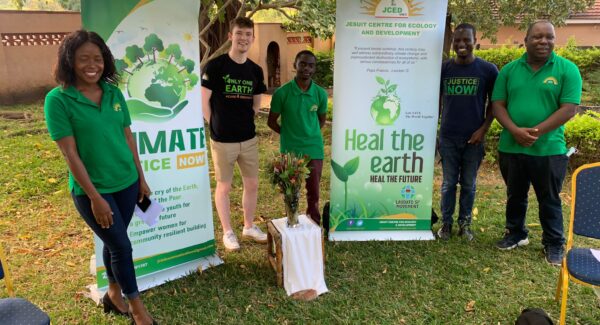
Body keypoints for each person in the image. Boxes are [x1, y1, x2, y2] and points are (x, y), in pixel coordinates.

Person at [44, 30, 156, 324]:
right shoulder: (58, 100)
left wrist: (141, 178)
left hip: (127, 183)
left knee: (113, 243)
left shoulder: (114, 93)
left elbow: (128, 137)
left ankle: (113, 294)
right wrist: (95, 198)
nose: (92, 65)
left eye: (98, 58)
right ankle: (138, 310)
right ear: (70, 61)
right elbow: (70, 155)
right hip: (92, 191)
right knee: (122, 245)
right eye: (84, 59)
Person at [491, 21, 582, 265]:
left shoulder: (567, 70)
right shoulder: (509, 70)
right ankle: (516, 233)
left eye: (549, 37)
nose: (544, 42)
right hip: (511, 146)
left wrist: (536, 132)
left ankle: (553, 243)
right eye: (537, 37)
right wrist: (515, 131)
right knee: (515, 194)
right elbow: (498, 104)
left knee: (549, 198)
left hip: (549, 148)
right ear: (526, 40)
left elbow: (569, 109)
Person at [201, 17, 267, 251]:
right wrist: (217, 125)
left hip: (248, 139)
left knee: (252, 184)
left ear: (253, 38)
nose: (243, 38)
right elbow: (204, 103)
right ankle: (228, 232)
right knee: (224, 187)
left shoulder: (255, 71)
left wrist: (241, 123)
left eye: (248, 34)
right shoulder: (215, 66)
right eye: (239, 33)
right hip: (222, 140)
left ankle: (248, 226)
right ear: (231, 36)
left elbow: (256, 105)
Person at [437, 23, 498, 241]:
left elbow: (495, 103)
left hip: (474, 138)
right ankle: (446, 223)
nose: (462, 44)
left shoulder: (488, 70)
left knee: (469, 184)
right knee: (448, 183)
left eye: (466, 40)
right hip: (448, 137)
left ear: (475, 41)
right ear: (452, 43)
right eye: (457, 41)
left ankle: (465, 224)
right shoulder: (443, 69)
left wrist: (483, 129)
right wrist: (436, 129)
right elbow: (437, 100)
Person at [267, 50, 328, 225]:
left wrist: (309, 134)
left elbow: (321, 121)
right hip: (290, 150)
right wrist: (289, 134)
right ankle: (292, 223)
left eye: (311, 65)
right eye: (302, 64)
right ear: (295, 65)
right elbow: (271, 121)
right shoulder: (282, 93)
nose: (306, 68)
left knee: (314, 192)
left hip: (313, 149)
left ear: (314, 69)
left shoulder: (320, 94)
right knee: (290, 192)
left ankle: (314, 225)